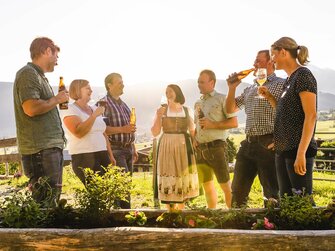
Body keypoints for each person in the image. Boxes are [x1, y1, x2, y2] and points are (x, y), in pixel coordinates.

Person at [259, 37, 318, 198]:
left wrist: (301, 154)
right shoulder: (289, 79)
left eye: (273, 54)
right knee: (287, 202)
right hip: (283, 151)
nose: (272, 60)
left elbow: (311, 115)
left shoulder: (303, 76)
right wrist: (270, 98)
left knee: (302, 204)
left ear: (283, 52)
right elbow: (285, 113)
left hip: (297, 151)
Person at [225, 50, 285, 208]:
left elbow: (287, 114)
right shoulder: (250, 88)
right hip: (248, 144)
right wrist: (232, 88)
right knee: (237, 193)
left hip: (269, 143)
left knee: (272, 195)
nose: (254, 64)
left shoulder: (281, 84)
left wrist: (281, 138)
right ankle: (236, 230)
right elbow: (229, 109)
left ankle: (273, 228)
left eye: (258, 61)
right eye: (254, 61)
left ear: (270, 62)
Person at [13, 37, 68, 205]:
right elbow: (31, 108)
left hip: (47, 148)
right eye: (56, 55)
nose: (57, 61)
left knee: (50, 200)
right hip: (40, 150)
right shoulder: (28, 74)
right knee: (44, 202)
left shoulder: (39, 76)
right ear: (46, 51)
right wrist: (57, 99)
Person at [194, 69, 238, 209]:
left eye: (202, 82)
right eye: (198, 82)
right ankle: (211, 214)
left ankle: (232, 217)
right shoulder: (197, 103)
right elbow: (197, 125)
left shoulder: (222, 99)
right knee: (207, 185)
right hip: (200, 149)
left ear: (211, 82)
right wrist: (195, 138)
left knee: (225, 185)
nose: (199, 85)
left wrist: (212, 124)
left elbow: (233, 123)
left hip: (217, 147)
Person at [151, 84, 199, 211]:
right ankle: (170, 211)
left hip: (184, 145)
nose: (168, 94)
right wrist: (159, 116)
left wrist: (194, 143)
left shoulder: (187, 110)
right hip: (167, 144)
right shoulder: (161, 111)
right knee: (169, 173)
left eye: (170, 91)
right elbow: (155, 132)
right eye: (166, 92)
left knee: (183, 175)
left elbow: (192, 129)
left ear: (177, 92)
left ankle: (181, 210)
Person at [62, 79, 115, 185]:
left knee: (109, 190)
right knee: (98, 192)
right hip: (84, 156)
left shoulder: (94, 108)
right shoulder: (70, 109)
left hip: (102, 154)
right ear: (77, 90)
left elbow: (103, 133)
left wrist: (110, 155)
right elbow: (78, 132)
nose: (91, 90)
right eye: (87, 88)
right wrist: (94, 115)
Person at [104, 73, 138, 209]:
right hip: (116, 149)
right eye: (119, 82)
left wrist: (133, 147)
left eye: (122, 82)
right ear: (109, 85)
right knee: (121, 187)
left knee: (126, 186)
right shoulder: (104, 104)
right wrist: (123, 129)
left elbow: (130, 129)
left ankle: (126, 215)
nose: (122, 84)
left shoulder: (124, 105)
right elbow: (102, 129)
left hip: (128, 149)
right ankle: (122, 217)